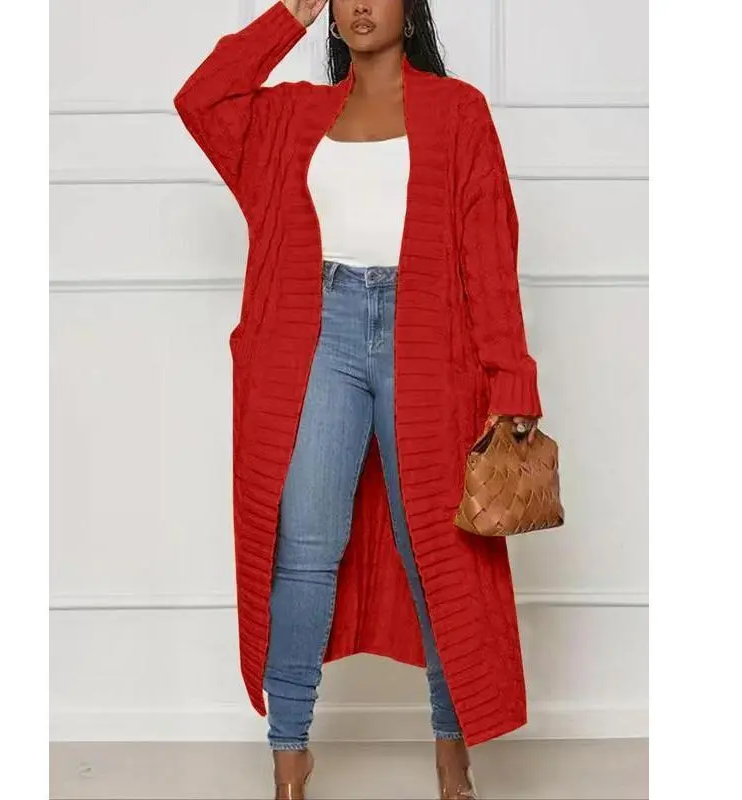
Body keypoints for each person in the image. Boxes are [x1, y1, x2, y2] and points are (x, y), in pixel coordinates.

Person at [174, 1, 542, 797]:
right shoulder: (291, 116)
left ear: (411, 8)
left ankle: (450, 746)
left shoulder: (458, 111)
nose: (362, 3)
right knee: (305, 548)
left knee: (437, 549)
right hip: (318, 333)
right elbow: (201, 99)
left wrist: (511, 378)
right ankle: (289, 753)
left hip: (429, 340)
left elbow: (490, 252)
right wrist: (286, 17)